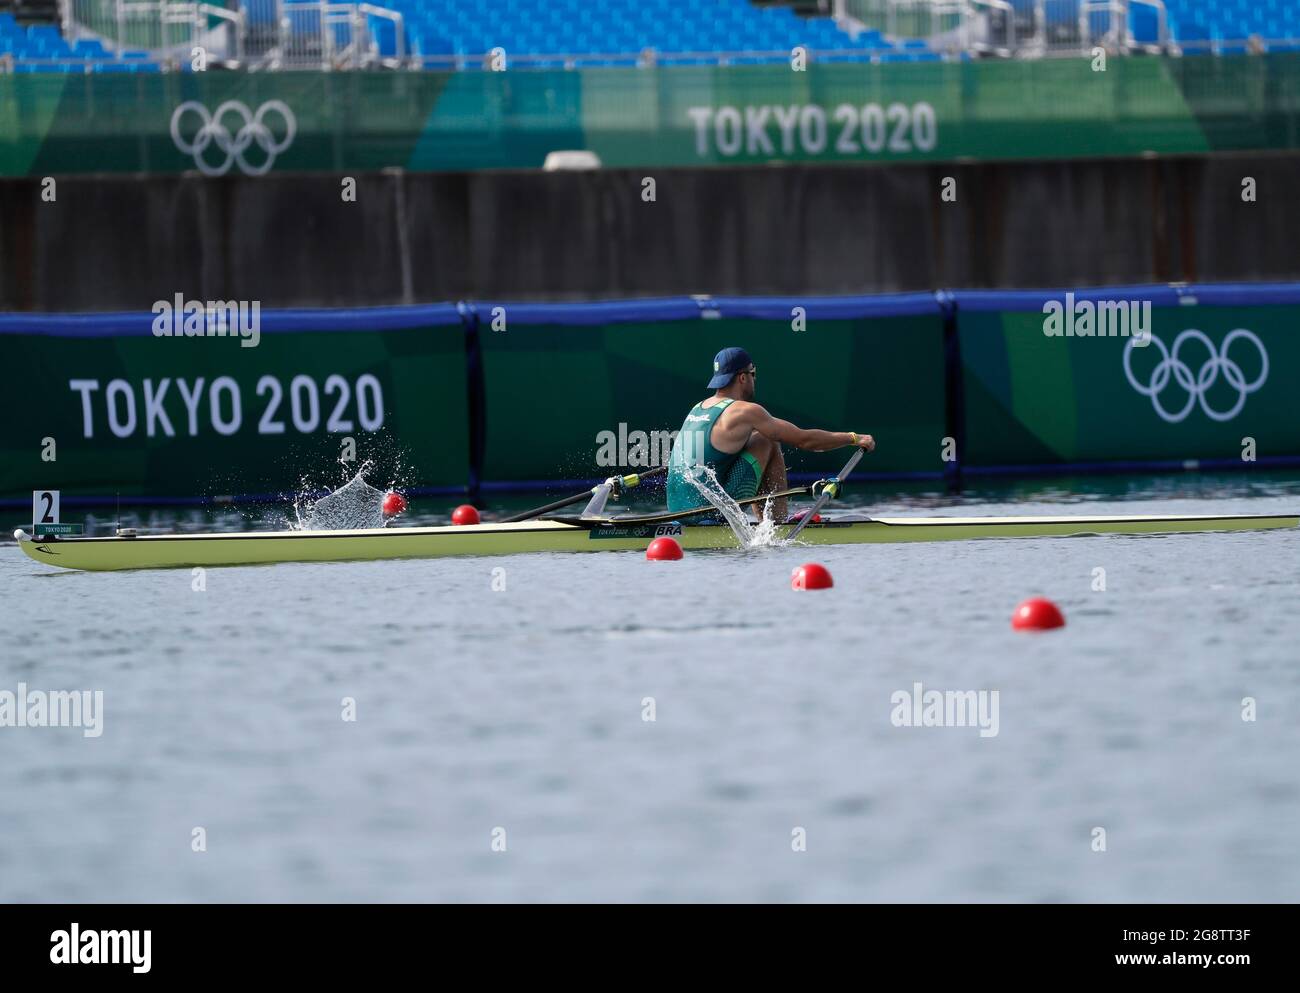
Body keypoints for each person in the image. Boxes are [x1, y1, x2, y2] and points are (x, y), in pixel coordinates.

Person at [665, 347, 875, 521]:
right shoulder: (745, 411)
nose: (755, 379)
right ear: (742, 377)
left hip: (676, 514)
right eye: (753, 373)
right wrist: (854, 438)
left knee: (755, 439)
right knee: (767, 439)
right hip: (709, 514)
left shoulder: (699, 407)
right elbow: (805, 440)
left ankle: (766, 523)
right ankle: (775, 526)